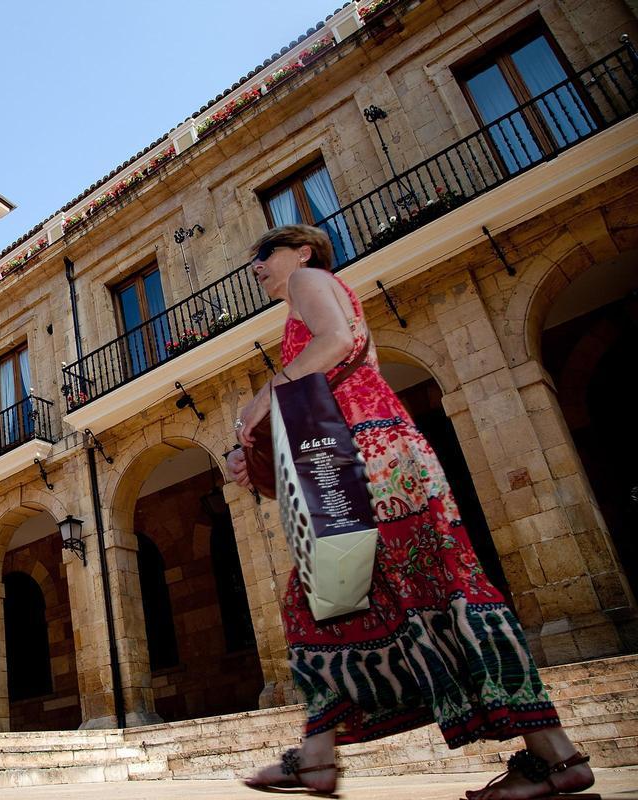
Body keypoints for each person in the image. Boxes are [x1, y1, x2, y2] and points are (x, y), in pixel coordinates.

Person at [229, 225, 594, 800]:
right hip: (364, 452)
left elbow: (335, 340)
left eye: (263, 253)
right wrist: (260, 454)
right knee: (412, 588)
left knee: (337, 595)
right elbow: (332, 379)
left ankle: (320, 760)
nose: (256, 266)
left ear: (301, 251)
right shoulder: (307, 298)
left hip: (369, 456)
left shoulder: (308, 278)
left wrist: (264, 395)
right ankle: (554, 754)